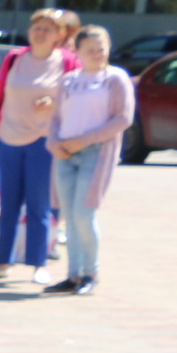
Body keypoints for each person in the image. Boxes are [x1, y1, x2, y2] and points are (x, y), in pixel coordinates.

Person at [0, 9, 75, 282]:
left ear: (59, 35)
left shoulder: (68, 62)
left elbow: (78, 99)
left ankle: (38, 264)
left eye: (48, 29)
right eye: (37, 27)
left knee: (39, 205)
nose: (40, 32)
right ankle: (2, 262)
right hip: (8, 139)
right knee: (8, 205)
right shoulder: (14, 58)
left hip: (43, 142)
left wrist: (54, 104)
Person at [41, 24, 133, 297]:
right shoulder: (68, 80)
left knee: (84, 212)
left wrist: (85, 139)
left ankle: (91, 272)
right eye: (90, 49)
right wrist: (54, 143)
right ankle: (73, 274)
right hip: (65, 154)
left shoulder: (115, 79)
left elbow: (122, 118)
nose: (96, 54)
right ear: (77, 51)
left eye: (101, 48)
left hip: (95, 152)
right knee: (69, 215)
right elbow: (56, 118)